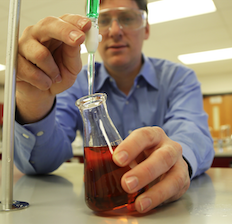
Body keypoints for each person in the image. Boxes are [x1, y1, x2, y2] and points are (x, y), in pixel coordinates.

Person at [14, 0, 214, 213]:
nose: (115, 31)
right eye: (104, 20)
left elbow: (192, 130)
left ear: (146, 29)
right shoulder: (71, 81)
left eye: (127, 18)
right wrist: (33, 101)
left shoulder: (178, 78)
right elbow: (42, 163)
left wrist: (176, 159)